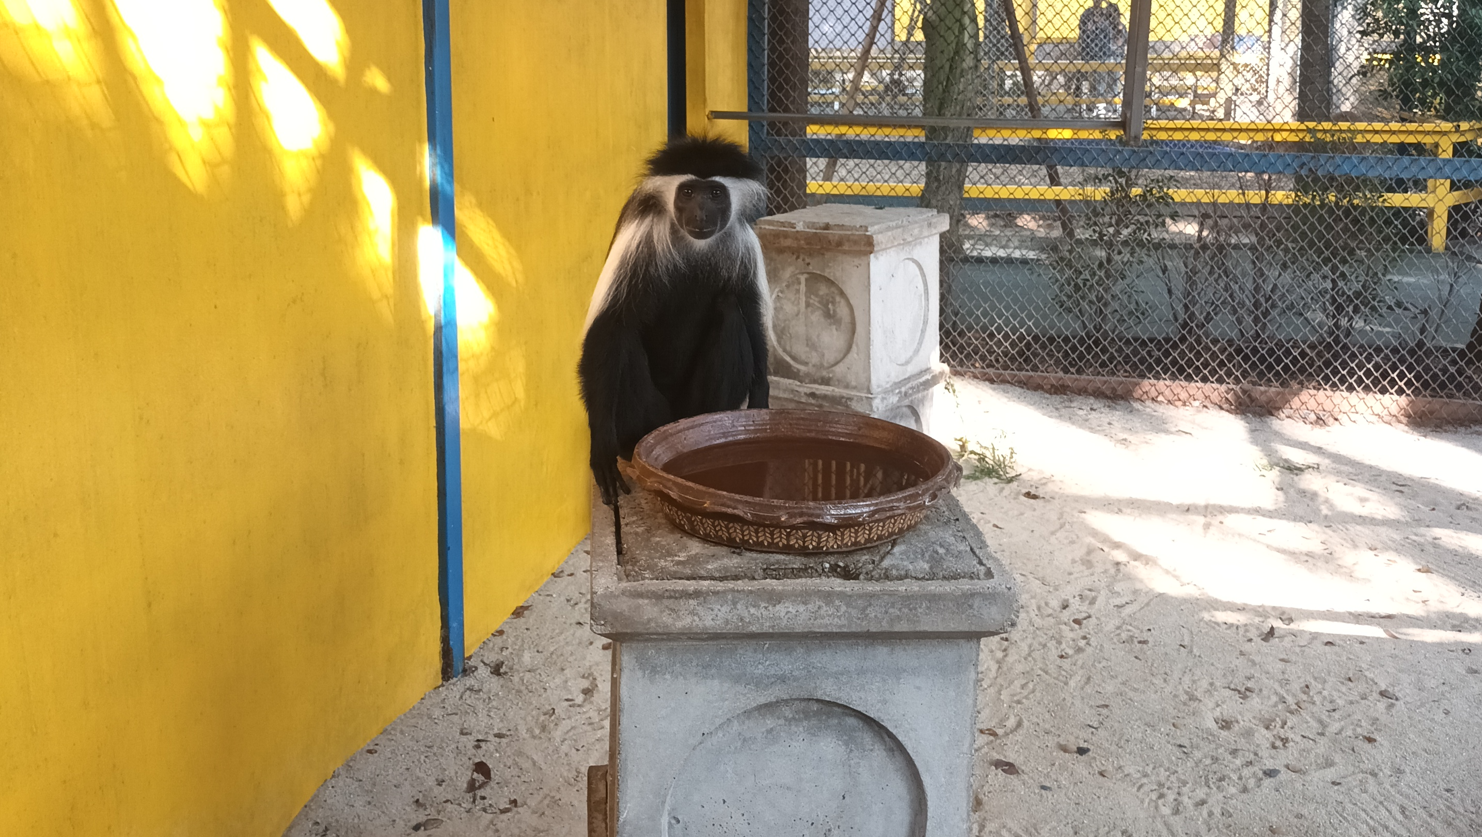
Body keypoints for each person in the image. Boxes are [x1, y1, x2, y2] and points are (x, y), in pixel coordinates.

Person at [1077, 0, 1126, 117]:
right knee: (1099, 84)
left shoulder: (1118, 26)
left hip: (1114, 58)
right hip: (1100, 56)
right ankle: (1099, 108)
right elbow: (1085, 35)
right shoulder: (1091, 16)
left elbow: (1123, 42)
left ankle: (1112, 109)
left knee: (1113, 84)